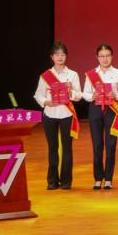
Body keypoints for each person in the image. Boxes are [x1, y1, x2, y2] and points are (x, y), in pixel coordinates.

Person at [34, 41, 82, 190]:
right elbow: (38, 94)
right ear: (52, 57)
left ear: (66, 56)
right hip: (50, 114)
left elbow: (78, 96)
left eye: (62, 54)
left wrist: (70, 91)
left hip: (67, 114)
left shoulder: (72, 75)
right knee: (52, 148)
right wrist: (46, 102)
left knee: (67, 148)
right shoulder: (46, 76)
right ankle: (52, 181)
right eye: (57, 54)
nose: (60, 57)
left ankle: (66, 181)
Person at [82, 43, 118, 190]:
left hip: (112, 110)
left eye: (107, 55)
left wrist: (116, 95)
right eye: (102, 56)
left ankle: (108, 179)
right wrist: (92, 96)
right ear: (97, 57)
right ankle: (97, 178)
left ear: (112, 56)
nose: (105, 59)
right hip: (95, 109)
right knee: (97, 145)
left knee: (111, 145)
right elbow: (85, 93)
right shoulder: (91, 74)